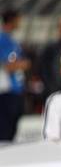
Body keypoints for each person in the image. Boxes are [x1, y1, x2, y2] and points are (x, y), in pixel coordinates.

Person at [0, 9, 30, 142]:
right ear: (12, 20)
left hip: (16, 90)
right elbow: (8, 65)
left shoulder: (13, 39)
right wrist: (23, 64)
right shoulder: (3, 39)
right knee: (5, 130)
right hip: (6, 91)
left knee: (12, 129)